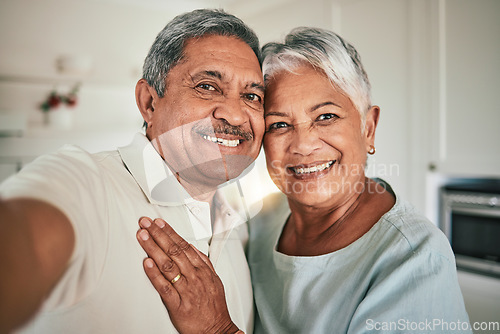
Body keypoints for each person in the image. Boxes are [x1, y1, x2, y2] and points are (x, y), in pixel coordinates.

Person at [136, 27, 472, 333]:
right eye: (279, 125)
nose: (303, 145)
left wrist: (217, 329)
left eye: (326, 117)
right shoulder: (262, 219)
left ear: (368, 127)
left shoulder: (415, 258)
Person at [0, 9, 265, 333]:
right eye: (208, 86)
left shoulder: (240, 227)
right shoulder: (88, 184)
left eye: (252, 96)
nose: (236, 116)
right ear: (149, 102)